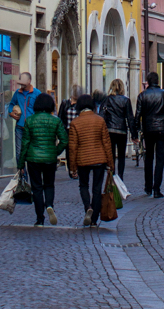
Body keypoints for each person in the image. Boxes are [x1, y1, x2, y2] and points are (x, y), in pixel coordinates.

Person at [19, 92, 68, 227]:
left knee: (37, 188)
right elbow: (64, 140)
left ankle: (40, 219)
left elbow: (25, 144)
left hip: (33, 158)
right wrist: (55, 151)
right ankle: (49, 205)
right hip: (50, 159)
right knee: (49, 184)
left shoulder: (29, 120)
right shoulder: (56, 120)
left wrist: (21, 163)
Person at [67, 94, 114, 226]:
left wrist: (72, 168)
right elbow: (106, 143)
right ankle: (94, 220)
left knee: (83, 185)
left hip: (82, 159)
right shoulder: (100, 120)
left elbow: (73, 147)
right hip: (100, 158)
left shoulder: (75, 123)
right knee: (97, 189)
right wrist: (110, 163)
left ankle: (88, 207)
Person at [134, 70, 164, 197]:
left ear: (148, 82)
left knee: (148, 157)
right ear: (157, 81)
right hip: (163, 129)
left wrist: (136, 131)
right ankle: (156, 189)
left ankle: (148, 186)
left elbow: (138, 115)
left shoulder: (142, 95)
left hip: (148, 129)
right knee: (160, 159)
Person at [101, 79, 136, 176]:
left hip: (110, 130)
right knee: (121, 157)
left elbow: (101, 116)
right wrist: (134, 135)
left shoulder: (107, 99)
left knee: (110, 156)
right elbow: (130, 118)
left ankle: (112, 177)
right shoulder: (125, 100)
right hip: (121, 131)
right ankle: (120, 178)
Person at [6, 73, 38, 168]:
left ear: (29, 82)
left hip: (32, 128)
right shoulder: (17, 93)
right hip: (20, 127)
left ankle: (33, 174)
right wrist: (11, 112)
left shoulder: (36, 93)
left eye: (23, 83)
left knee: (32, 151)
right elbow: (11, 104)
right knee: (19, 151)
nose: (21, 85)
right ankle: (22, 175)